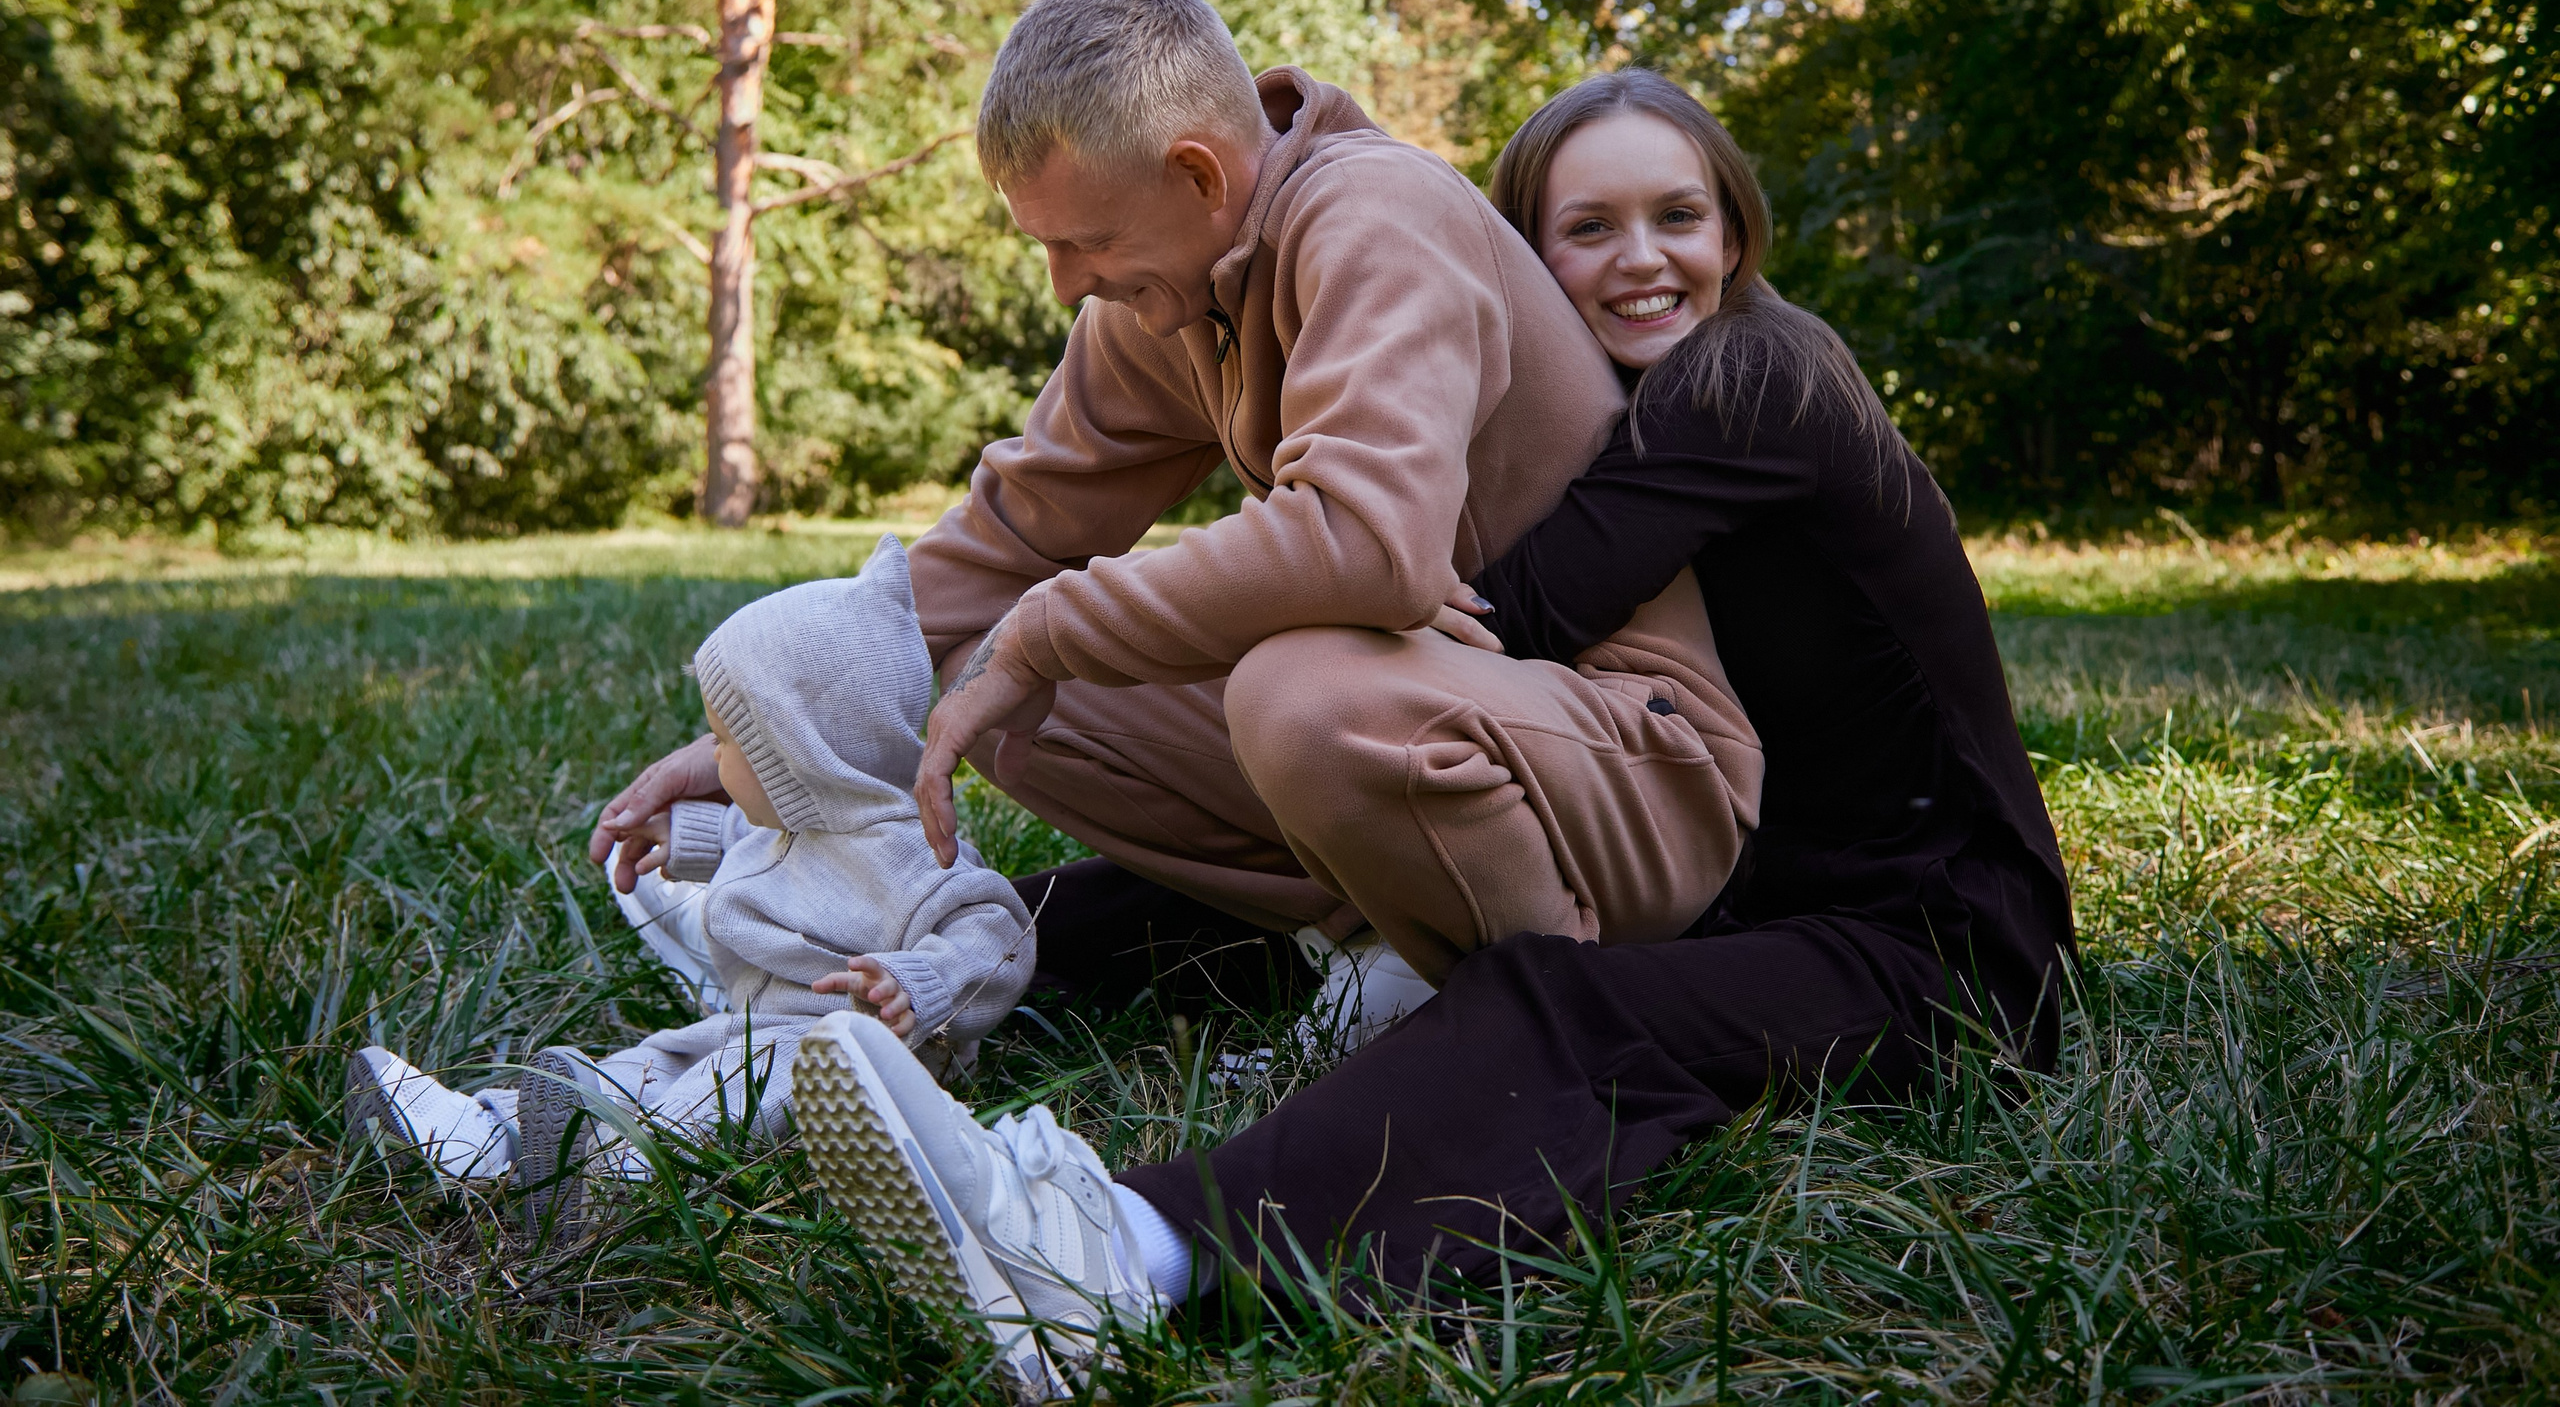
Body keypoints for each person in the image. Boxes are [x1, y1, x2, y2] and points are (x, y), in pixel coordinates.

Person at [778, 70, 2079, 1388]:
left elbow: (1512, 613)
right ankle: (857, 969)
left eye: (1677, 216)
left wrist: (1343, 573)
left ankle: (1127, 1251)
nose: (1640, 259)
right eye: (1588, 229)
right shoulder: (1623, 403)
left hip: (1935, 945)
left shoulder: (1753, 379)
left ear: (1734, 231)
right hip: (1751, 890)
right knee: (1232, 892)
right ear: (1527, 257)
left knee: (1560, 1001)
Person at [595, 0, 1763, 1044]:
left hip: (1643, 768)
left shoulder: (1376, 216)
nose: (1066, 283)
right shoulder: (1163, 295)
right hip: (1445, 706)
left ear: (1199, 176)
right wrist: (758, 737)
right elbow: (1014, 533)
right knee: (993, 689)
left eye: (1089, 240)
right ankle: (1383, 935)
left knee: (1293, 695)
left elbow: (1366, 545)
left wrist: (1050, 630)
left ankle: (1541, 1000)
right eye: (1046, 245)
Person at [345, 536, 1034, 1242]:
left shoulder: (916, 853)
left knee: (730, 1093)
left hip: (857, 1064)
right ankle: (492, 1133)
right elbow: (756, 843)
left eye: (724, 742)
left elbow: (997, 933)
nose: (714, 756)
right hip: (756, 1025)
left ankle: (616, 1177)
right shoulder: (805, 819)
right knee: (660, 1060)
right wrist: (690, 837)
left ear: (796, 753)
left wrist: (922, 984)